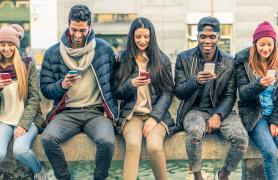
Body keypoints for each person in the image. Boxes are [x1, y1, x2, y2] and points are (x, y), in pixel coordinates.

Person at [40, 5, 118, 180]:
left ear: (90, 27)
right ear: (68, 25)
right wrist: (62, 85)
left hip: (96, 112)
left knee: (106, 141)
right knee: (48, 138)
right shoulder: (53, 53)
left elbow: (114, 83)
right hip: (66, 112)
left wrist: (111, 109)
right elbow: (45, 89)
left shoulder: (104, 49)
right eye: (74, 29)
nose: (77, 35)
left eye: (82, 30)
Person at [173, 16, 249, 180]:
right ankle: (198, 176)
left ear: (218, 37)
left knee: (242, 139)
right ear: (197, 36)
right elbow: (179, 91)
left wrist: (218, 115)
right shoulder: (183, 58)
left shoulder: (230, 61)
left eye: (212, 36)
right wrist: (197, 81)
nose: (207, 41)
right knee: (194, 132)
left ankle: (223, 175)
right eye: (203, 36)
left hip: (223, 111)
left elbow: (230, 95)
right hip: (194, 110)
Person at [112, 17, 175, 180]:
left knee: (154, 147)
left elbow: (168, 92)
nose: (142, 40)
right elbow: (116, 92)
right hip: (132, 115)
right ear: (132, 36)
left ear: (152, 36)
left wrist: (154, 118)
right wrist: (131, 84)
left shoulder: (162, 59)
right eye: (138, 36)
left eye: (146, 36)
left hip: (156, 115)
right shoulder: (122, 59)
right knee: (133, 145)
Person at [0, 24, 47, 180]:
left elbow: (35, 98)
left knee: (20, 150)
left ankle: (39, 170)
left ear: (16, 45)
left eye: (10, 44)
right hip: (4, 121)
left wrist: (23, 124)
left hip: (28, 120)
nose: (6, 48)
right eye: (2, 44)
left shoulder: (27, 64)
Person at [235, 21, 278, 180]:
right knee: (270, 151)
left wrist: (275, 120)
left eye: (269, 44)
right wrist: (259, 84)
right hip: (255, 116)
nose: (265, 48)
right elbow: (243, 93)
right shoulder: (243, 61)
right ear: (255, 43)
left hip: (273, 114)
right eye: (261, 44)